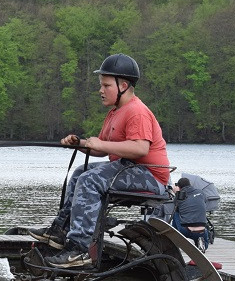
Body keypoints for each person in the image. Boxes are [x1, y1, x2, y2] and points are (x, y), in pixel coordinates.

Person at [30, 54, 170, 268]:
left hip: (151, 176)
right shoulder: (116, 112)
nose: (101, 90)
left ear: (123, 85)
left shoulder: (136, 111)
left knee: (89, 180)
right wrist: (80, 142)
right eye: (101, 85)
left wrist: (100, 145)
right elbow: (101, 147)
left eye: (106, 85)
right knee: (80, 173)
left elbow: (140, 147)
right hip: (128, 169)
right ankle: (61, 231)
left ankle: (78, 249)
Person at [172, 177, 210, 251]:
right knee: (198, 211)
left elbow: (176, 205)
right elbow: (205, 202)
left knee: (176, 213)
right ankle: (200, 242)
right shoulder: (201, 192)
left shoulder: (180, 196)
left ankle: (175, 241)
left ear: (179, 187)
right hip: (202, 230)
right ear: (190, 184)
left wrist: (177, 193)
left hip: (186, 230)